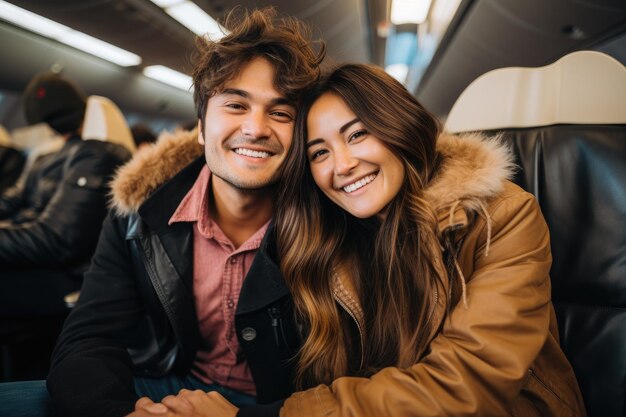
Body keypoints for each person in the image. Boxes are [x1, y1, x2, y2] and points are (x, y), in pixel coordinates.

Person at [131, 64, 588, 417]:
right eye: (320, 153)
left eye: (358, 135)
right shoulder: (329, 237)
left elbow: (466, 385)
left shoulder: (503, 216)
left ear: (399, 128)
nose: (342, 164)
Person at [5, 7, 324, 417]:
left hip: (286, 406)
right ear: (202, 123)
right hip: (170, 385)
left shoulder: (331, 218)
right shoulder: (139, 214)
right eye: (236, 105)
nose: (256, 128)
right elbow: (91, 336)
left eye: (280, 113)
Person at [0, 73, 131, 317]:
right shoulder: (46, 158)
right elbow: (15, 202)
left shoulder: (94, 156)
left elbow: (57, 239)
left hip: (71, 277)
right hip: (45, 263)